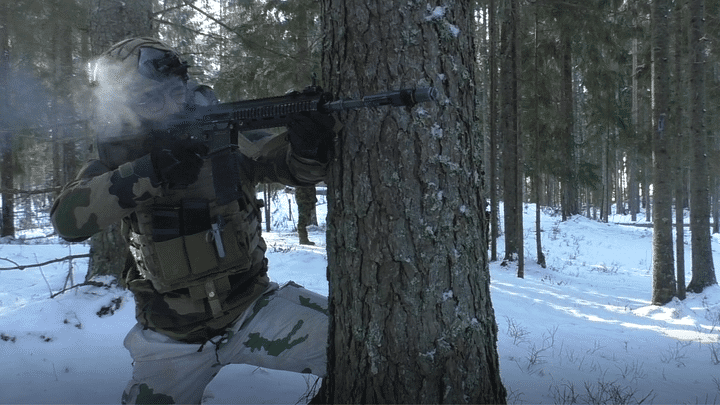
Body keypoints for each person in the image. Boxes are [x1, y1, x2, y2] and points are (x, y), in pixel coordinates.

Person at [50, 37, 335, 404]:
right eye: (151, 100)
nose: (170, 106)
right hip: (170, 339)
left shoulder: (223, 132)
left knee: (359, 348)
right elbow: (68, 221)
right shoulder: (119, 154)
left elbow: (291, 167)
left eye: (175, 91)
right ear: (125, 108)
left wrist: (309, 145)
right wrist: (152, 171)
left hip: (253, 309)